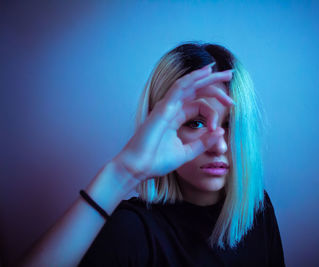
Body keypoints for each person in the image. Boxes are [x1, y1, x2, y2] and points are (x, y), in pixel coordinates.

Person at [18, 41, 285, 266]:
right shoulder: (132, 230)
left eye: (231, 125)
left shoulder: (258, 209)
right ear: (159, 126)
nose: (220, 146)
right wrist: (124, 172)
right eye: (196, 122)